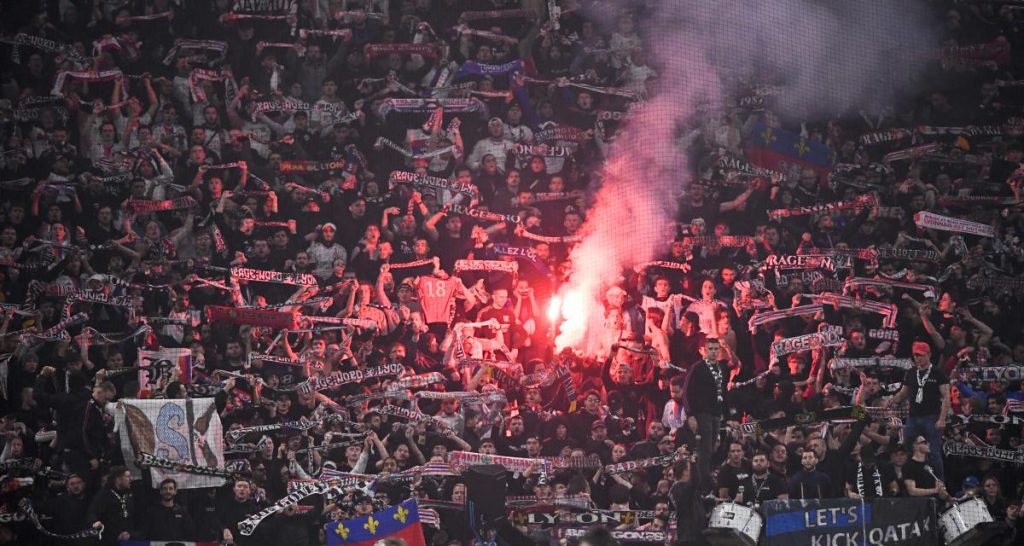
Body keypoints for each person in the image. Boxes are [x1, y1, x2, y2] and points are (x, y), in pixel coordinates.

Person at [886, 341, 951, 479]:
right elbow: (904, 393)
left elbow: (946, 397)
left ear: (929, 355)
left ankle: (940, 485)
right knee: (907, 450)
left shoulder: (938, 373)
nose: (917, 358)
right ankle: (907, 481)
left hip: (931, 418)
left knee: (933, 454)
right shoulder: (911, 373)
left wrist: (942, 419)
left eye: (920, 355)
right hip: (913, 418)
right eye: (915, 355)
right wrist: (891, 400)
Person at [684, 338, 729, 483]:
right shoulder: (697, 367)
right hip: (702, 413)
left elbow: (723, 392)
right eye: (711, 349)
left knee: (711, 448)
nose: (714, 352)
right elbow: (686, 391)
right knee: (705, 449)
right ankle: (703, 483)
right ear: (704, 350)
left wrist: (726, 415)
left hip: (716, 413)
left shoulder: (721, 367)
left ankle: (707, 476)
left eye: (716, 349)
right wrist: (690, 415)